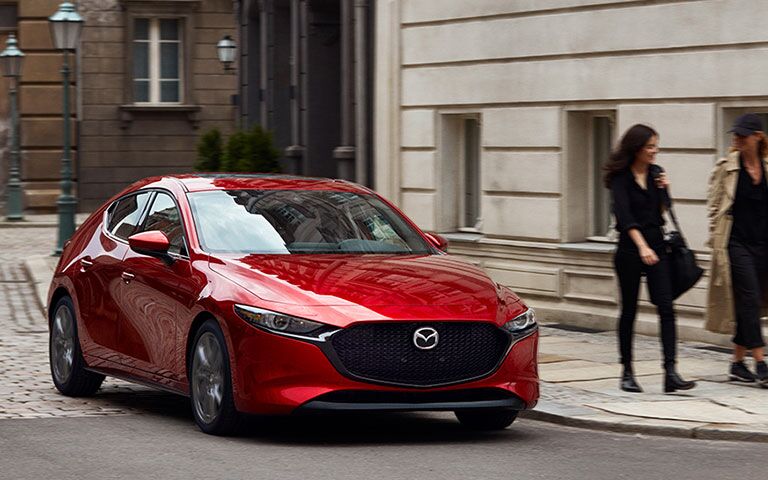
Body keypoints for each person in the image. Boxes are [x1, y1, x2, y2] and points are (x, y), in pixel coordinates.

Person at [605, 124, 696, 393]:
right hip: (631, 249)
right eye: (650, 146)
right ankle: (627, 372)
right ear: (637, 148)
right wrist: (642, 247)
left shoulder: (656, 173)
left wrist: (665, 190)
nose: (655, 151)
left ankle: (670, 372)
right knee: (629, 310)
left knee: (667, 308)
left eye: (656, 146)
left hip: (658, 246)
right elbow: (625, 218)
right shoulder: (620, 178)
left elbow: (662, 212)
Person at [706, 113, 768, 386]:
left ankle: (736, 363)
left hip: (763, 245)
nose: (738, 139)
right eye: (736, 135)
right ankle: (761, 362)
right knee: (751, 298)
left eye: (744, 135)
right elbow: (714, 206)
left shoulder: (766, 168)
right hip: (735, 243)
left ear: (758, 137)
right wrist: (717, 239)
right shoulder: (727, 167)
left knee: (749, 302)